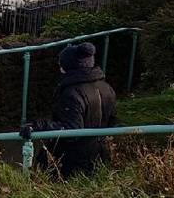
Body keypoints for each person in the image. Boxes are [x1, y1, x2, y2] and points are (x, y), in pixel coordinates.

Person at [20, 42, 117, 177]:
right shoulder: (106, 87)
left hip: (74, 161)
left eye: (61, 64)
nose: (59, 67)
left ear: (68, 66)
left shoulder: (71, 93)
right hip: (100, 155)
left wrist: (38, 126)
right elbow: (112, 121)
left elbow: (71, 130)